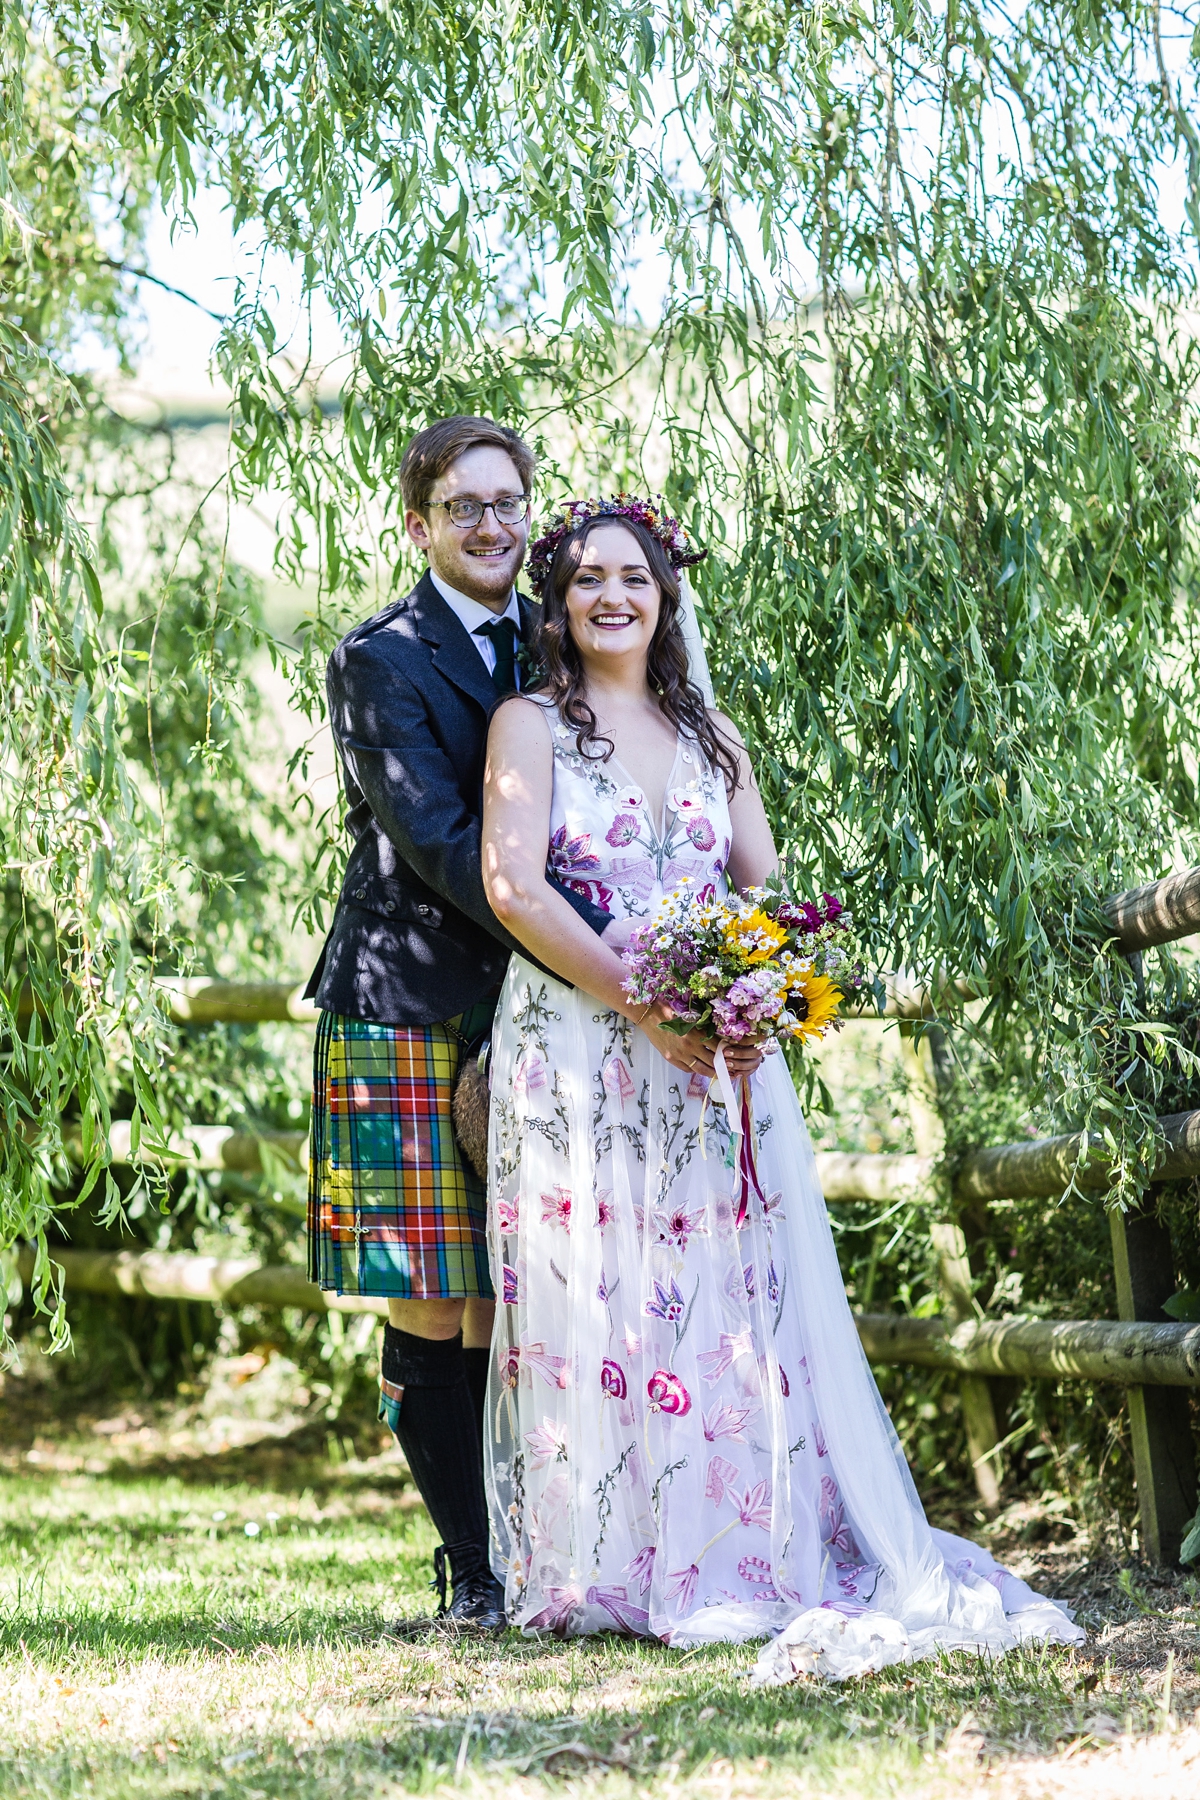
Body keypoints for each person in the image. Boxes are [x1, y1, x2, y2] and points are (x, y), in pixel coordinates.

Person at [478, 497, 1084, 1674]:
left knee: (726, 1285)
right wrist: (644, 1000)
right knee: (605, 1283)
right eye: (589, 579)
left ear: (667, 596)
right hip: (582, 1050)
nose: (613, 597)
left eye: (636, 578)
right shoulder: (528, 727)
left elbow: (762, 883)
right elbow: (514, 889)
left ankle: (742, 1547)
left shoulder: (714, 737)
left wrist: (749, 990)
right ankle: (611, 1556)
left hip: (713, 1056)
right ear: (557, 603)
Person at [304, 418, 621, 1630]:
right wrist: (601, 933)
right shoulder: (378, 659)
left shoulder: (562, 643)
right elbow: (443, 842)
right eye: (465, 505)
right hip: (410, 1001)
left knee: (517, 1290)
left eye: (511, 503)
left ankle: (537, 1555)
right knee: (436, 1295)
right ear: (419, 523)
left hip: (543, 1003)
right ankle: (471, 1569)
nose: (494, 526)